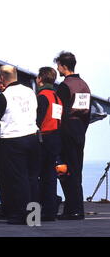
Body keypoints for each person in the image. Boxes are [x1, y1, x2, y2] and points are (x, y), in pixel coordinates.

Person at [0, 65, 41, 224]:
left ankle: (21, 215)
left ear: (1, 78)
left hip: (13, 141)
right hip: (33, 138)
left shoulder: (4, 96)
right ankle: (34, 216)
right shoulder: (30, 92)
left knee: (18, 179)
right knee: (32, 178)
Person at [54, 51, 91, 220]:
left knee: (66, 171)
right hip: (79, 129)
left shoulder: (64, 86)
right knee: (77, 170)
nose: (57, 68)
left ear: (63, 66)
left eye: (58, 65)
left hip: (66, 128)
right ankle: (76, 208)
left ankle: (73, 210)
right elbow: (87, 113)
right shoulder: (83, 85)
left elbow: (58, 112)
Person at [35, 67, 63, 221]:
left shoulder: (42, 97)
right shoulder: (56, 97)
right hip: (55, 138)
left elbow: (38, 120)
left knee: (38, 175)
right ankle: (50, 209)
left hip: (43, 139)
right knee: (51, 176)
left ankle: (40, 210)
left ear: (40, 79)